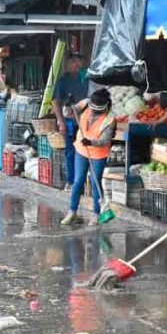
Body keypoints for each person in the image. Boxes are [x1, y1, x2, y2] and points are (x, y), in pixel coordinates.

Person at [60, 88, 115, 227]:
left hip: (98, 154)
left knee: (95, 181)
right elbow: (69, 114)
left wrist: (91, 142)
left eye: (97, 111)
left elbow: (105, 140)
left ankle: (96, 214)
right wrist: (67, 105)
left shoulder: (110, 119)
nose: (93, 112)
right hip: (81, 149)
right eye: (93, 108)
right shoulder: (85, 104)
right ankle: (72, 212)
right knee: (78, 181)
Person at [52, 51, 90, 190]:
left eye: (79, 60)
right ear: (68, 63)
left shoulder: (86, 78)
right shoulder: (63, 81)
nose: (77, 64)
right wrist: (61, 122)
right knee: (71, 152)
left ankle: (84, 183)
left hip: (86, 122)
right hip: (69, 122)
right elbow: (55, 102)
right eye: (74, 61)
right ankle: (72, 181)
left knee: (86, 151)